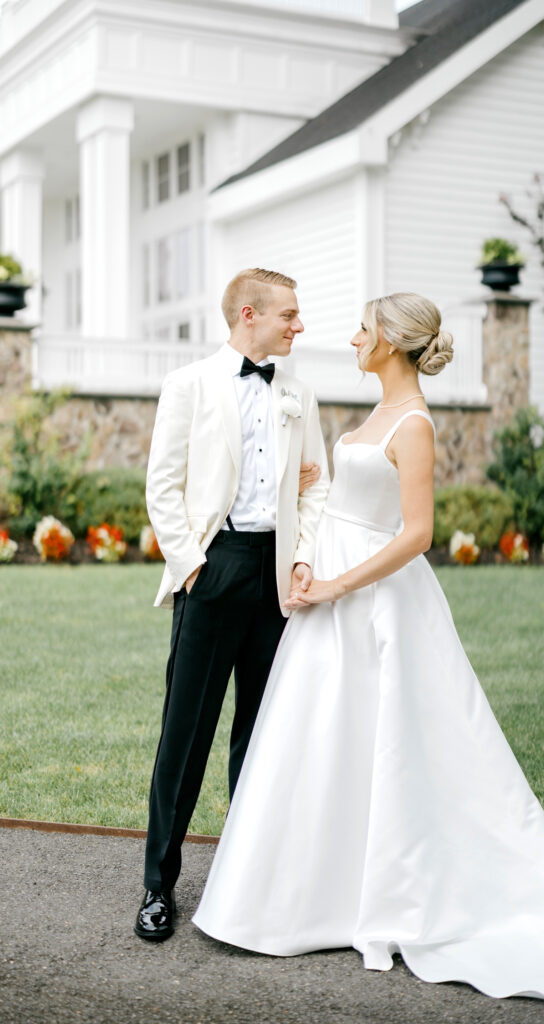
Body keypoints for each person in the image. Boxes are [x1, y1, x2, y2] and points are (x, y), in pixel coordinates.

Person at [192, 292, 544, 1022]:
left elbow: (415, 534)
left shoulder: (415, 424)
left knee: (391, 744)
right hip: (330, 597)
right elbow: (334, 500)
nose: (352, 337)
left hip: (379, 603)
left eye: (364, 327)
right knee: (329, 740)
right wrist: (305, 564)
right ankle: (311, 892)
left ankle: (382, 891)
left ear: (389, 341)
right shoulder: (370, 417)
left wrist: (334, 584)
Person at [134, 268, 329, 942]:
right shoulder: (188, 385)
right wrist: (192, 569)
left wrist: (303, 558)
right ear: (250, 314)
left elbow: (315, 490)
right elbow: (162, 487)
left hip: (275, 580)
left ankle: (246, 886)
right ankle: (158, 886)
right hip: (213, 571)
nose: (298, 326)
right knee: (184, 736)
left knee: (261, 734)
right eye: (289, 315)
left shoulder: (300, 393)